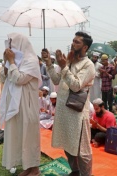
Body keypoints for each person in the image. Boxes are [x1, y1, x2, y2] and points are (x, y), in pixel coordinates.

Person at [45, 31, 95, 176]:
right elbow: (56, 80)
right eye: (73, 41)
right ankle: (75, 171)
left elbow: (76, 85)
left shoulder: (88, 65)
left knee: (82, 150)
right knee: (67, 143)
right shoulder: (70, 61)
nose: (73, 44)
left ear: (85, 47)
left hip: (78, 113)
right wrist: (49, 63)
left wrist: (64, 66)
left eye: (77, 42)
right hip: (64, 110)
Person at [0, 33, 42, 176]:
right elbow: (4, 77)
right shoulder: (15, 61)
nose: (10, 48)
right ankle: (27, 167)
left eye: (12, 44)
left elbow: (19, 79)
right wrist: (6, 62)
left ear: (20, 44)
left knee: (29, 136)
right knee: (19, 135)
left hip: (27, 105)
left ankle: (34, 169)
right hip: (16, 105)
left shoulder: (31, 60)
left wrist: (11, 62)